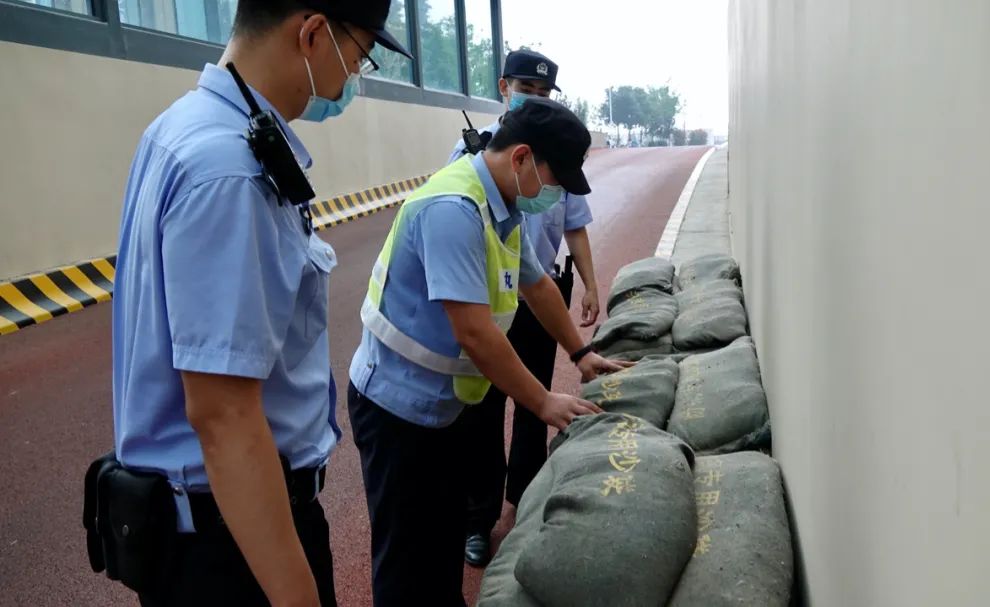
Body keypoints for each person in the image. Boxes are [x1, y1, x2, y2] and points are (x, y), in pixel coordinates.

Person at [97, 1, 410, 605]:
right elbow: (224, 416)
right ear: (313, 32)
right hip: (236, 544)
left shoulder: (181, 128)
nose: (351, 78)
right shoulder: (231, 170)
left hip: (212, 529)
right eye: (358, 55)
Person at [349, 97, 628, 607]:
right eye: (554, 180)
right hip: (397, 409)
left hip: (445, 407)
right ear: (521, 158)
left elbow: (538, 285)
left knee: (441, 544)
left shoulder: (501, 206)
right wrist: (543, 402)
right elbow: (475, 334)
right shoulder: (454, 210)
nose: (555, 194)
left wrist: (581, 352)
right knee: (407, 560)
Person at [447, 48, 602, 567]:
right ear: (504, 86)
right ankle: (479, 519)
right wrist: (547, 391)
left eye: (542, 92)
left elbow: (538, 273)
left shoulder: (538, 169)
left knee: (535, 409)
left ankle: (526, 505)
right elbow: (472, 328)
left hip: (532, 298)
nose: (532, 98)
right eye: (525, 89)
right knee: (483, 414)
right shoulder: (467, 177)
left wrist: (581, 346)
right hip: (483, 310)